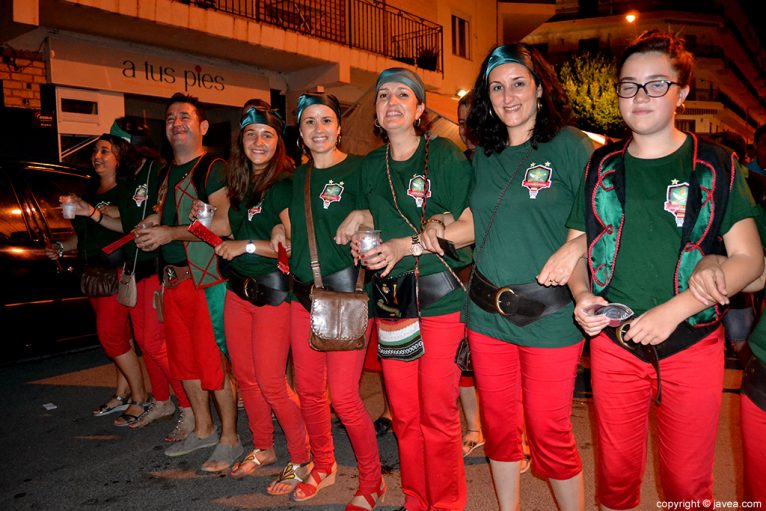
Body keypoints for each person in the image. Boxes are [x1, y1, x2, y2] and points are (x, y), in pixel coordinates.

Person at [566, 31, 763, 510]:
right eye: (629, 85)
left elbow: (752, 262)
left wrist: (677, 310)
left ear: (682, 91)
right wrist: (581, 297)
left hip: (692, 344)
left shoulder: (716, 164)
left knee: (687, 486)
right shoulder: (602, 164)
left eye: (656, 84)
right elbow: (576, 248)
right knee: (614, 477)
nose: (639, 97)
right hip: (614, 345)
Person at [422, 44, 592, 510]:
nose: (507, 95)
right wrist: (440, 228)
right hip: (485, 312)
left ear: (540, 88)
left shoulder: (572, 146)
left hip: (550, 314)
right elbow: (478, 221)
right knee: (498, 426)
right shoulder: (485, 153)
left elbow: (604, 218)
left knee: (548, 429)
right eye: (496, 87)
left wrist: (575, 245)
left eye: (518, 83)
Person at [351, 68, 473, 511]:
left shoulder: (443, 154)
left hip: (441, 300)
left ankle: (446, 504)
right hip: (392, 306)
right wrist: (359, 227)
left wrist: (415, 239)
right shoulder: (370, 165)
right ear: (377, 112)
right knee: (404, 415)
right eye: (384, 95)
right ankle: (416, 499)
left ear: (420, 108)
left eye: (404, 94)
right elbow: (369, 214)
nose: (392, 102)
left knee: (437, 415)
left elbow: (468, 225)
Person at [270, 92, 384, 510]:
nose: (318, 129)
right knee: (311, 393)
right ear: (300, 134)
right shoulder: (293, 180)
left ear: (338, 127)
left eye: (325, 121)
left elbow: (385, 212)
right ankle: (324, 463)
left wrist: (364, 218)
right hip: (303, 298)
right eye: (309, 123)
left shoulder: (360, 170)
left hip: (347, 298)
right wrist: (280, 235)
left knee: (345, 397)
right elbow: (281, 223)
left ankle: (373, 481)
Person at [134, 93, 242, 472]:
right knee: (185, 363)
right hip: (173, 282)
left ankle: (230, 437)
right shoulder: (166, 173)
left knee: (213, 363)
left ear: (203, 126)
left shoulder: (213, 167)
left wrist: (169, 234)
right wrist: (152, 224)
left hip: (206, 280)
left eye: (184, 117)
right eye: (170, 119)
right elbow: (167, 214)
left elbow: (225, 225)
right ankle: (203, 428)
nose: (176, 123)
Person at [213, 104, 312, 490]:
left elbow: (290, 246)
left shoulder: (283, 184)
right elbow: (229, 225)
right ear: (242, 140)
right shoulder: (240, 183)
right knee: (246, 378)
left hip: (272, 294)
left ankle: (302, 457)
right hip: (238, 292)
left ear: (278, 143)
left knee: (271, 382)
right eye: (252, 134)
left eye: (267, 135)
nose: (259, 142)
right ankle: (264, 447)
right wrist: (201, 221)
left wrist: (248, 246)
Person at [47, 134, 149, 427]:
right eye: (95, 151)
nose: (98, 155)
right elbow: (83, 235)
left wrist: (92, 211)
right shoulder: (89, 191)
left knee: (111, 337)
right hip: (91, 273)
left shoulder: (126, 190)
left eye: (106, 150)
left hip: (114, 272)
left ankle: (140, 397)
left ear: (120, 158)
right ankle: (122, 392)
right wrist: (60, 247)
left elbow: (124, 221)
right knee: (121, 337)